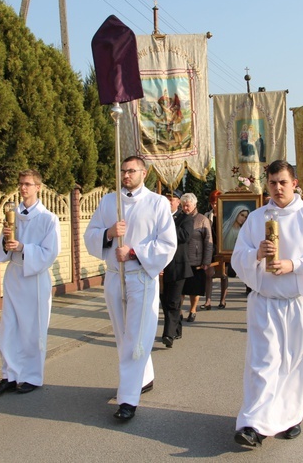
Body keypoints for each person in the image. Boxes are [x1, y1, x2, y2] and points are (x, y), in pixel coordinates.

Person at [231, 160, 303, 448]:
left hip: (299, 303)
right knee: (263, 363)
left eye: (283, 182)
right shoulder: (256, 219)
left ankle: (290, 417)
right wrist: (255, 254)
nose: (277, 188)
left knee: (295, 364)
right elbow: (237, 258)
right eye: (273, 182)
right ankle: (252, 423)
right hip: (265, 303)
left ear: (295, 183)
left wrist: (293, 264)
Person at [84, 156, 177, 421]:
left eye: (131, 171)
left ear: (143, 173)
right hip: (114, 276)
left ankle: (127, 400)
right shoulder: (108, 202)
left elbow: (168, 244)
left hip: (140, 278)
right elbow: (90, 235)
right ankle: (144, 377)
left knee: (136, 337)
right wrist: (110, 233)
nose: (126, 175)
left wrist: (135, 252)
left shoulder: (157, 203)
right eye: (123, 171)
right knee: (124, 336)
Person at [0, 169, 61, 396]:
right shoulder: (13, 215)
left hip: (35, 279)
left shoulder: (48, 219)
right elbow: (1, 253)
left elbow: (50, 253)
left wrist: (23, 248)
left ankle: (31, 376)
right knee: (8, 329)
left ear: (38, 187)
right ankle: (9, 375)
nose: (23, 188)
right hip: (14, 277)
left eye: (28, 184)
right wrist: (6, 240)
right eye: (21, 184)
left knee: (32, 330)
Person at [160, 190, 193, 348]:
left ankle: (168, 334)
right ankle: (177, 328)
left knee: (173, 301)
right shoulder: (158, 218)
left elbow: (184, 236)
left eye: (172, 199)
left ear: (178, 202)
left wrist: (168, 223)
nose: (168, 202)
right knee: (165, 301)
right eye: (166, 198)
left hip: (178, 266)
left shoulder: (185, 218)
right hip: (161, 267)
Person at [179, 193, 214, 318]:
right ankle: (179, 312)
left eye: (187, 205)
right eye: (183, 205)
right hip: (181, 259)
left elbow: (208, 241)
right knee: (180, 289)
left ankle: (193, 310)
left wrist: (207, 261)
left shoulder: (202, 220)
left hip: (196, 260)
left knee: (194, 289)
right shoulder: (179, 218)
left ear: (194, 204)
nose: (185, 208)